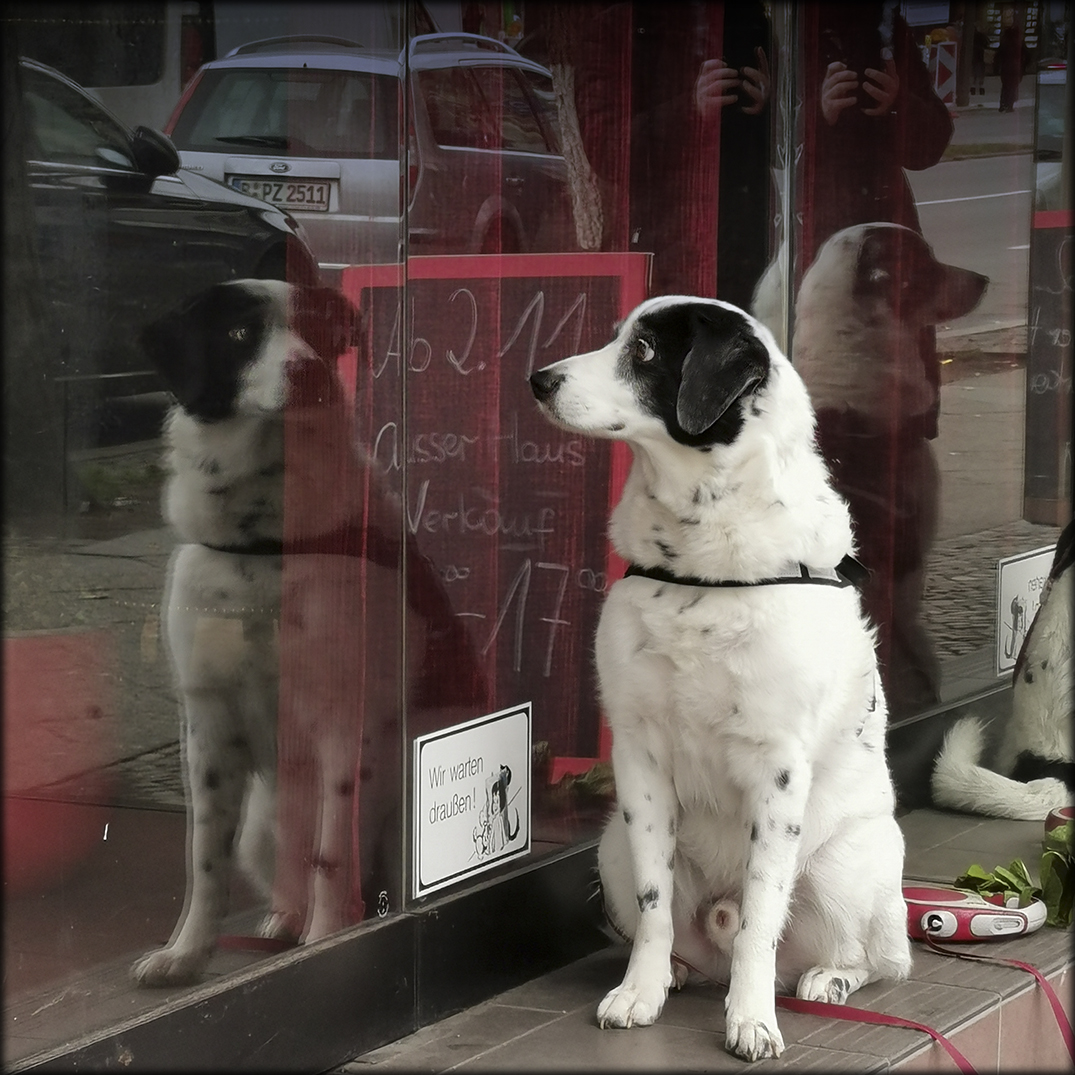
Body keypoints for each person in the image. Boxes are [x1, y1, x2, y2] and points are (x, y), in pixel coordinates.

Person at [996, 7, 1023, 113]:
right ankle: (1009, 104)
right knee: (1012, 85)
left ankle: (1003, 103)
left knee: (1006, 85)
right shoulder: (1017, 39)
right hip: (1015, 65)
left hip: (1006, 65)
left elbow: (1000, 53)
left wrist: (997, 64)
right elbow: (1024, 52)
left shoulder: (1005, 38)